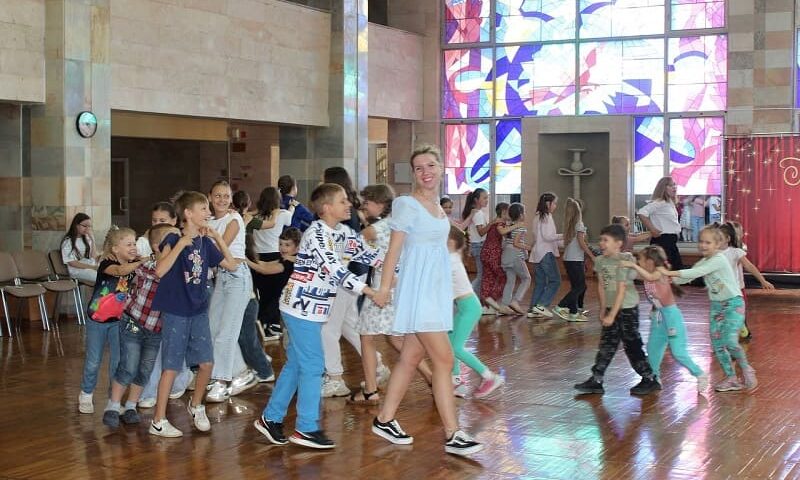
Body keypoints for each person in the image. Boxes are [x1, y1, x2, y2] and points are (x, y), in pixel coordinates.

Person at [371, 145, 483, 457]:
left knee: (410, 358)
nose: (426, 172)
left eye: (431, 165)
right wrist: (384, 288)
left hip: (435, 292)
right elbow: (394, 250)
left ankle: (384, 419)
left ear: (441, 168)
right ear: (413, 173)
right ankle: (453, 433)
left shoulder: (437, 207)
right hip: (419, 293)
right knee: (444, 360)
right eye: (419, 168)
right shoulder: (407, 204)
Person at [253, 183, 382, 449]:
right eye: (343, 200)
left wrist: (400, 264)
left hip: (313, 310)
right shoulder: (316, 234)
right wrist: (370, 291)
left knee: (297, 364)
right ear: (326, 208)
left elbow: (369, 254)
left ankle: (271, 418)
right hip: (299, 308)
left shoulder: (343, 232)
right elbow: (335, 270)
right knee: (313, 365)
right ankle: (306, 428)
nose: (349, 204)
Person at [148, 191, 238, 438]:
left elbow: (231, 265)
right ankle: (158, 420)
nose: (208, 213)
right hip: (176, 311)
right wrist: (180, 245)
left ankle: (197, 405)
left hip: (198, 310)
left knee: (207, 363)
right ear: (188, 213)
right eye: (204, 209)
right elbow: (160, 271)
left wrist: (217, 237)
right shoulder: (172, 237)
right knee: (171, 367)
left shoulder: (205, 242)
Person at [660, 225, 757, 393]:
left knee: (730, 341)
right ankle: (731, 378)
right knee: (717, 344)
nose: (703, 245)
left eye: (708, 242)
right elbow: (689, 276)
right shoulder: (703, 261)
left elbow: (698, 272)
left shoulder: (719, 259)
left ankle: (746, 368)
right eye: (701, 241)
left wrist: (670, 274)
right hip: (717, 306)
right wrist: (668, 279)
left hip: (733, 304)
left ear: (718, 244)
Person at [320, 167, 389, 398]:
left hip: (345, 276)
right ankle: (377, 365)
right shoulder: (347, 214)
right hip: (352, 274)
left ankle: (335, 378)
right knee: (348, 323)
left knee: (329, 327)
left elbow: (348, 249)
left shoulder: (342, 215)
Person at [102, 224, 177, 428]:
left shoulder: (176, 269)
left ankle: (131, 406)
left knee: (145, 369)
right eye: (173, 243)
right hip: (133, 322)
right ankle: (113, 405)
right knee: (129, 365)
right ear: (158, 247)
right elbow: (159, 274)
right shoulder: (148, 266)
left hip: (156, 329)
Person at [574, 224, 661, 396]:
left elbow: (622, 289)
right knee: (607, 344)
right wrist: (603, 310)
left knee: (632, 345)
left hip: (627, 309)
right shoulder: (600, 261)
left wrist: (612, 315)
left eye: (605, 240)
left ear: (618, 243)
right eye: (601, 240)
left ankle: (650, 378)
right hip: (611, 308)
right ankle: (596, 379)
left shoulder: (625, 261)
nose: (601, 243)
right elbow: (601, 286)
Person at [349, 184, 408, 405]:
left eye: (367, 203)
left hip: (380, 288)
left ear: (380, 204)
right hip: (400, 286)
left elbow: (351, 247)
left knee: (366, 336)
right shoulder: (400, 225)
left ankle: (371, 390)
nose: (365, 207)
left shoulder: (376, 229)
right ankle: (431, 377)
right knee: (395, 339)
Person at [621, 246, 707, 393]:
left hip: (671, 317)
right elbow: (637, 277)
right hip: (659, 316)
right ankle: (654, 378)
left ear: (650, 261)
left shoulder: (660, 272)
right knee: (653, 348)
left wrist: (632, 265)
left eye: (640, 259)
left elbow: (650, 278)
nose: (638, 261)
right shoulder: (646, 274)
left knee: (678, 351)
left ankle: (699, 374)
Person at [78, 227, 140, 415]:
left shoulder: (134, 264)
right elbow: (120, 270)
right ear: (115, 249)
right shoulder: (107, 263)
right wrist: (143, 261)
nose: (133, 247)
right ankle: (86, 393)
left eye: (134, 243)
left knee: (118, 361)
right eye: (128, 244)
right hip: (97, 318)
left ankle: (113, 399)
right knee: (94, 360)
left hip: (118, 320)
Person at [206, 180, 257, 403]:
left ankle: (222, 380)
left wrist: (205, 237)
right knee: (212, 328)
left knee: (227, 332)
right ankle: (242, 372)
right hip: (222, 278)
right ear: (210, 197)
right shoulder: (209, 221)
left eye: (226, 196)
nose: (222, 200)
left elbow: (219, 249)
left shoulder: (234, 219)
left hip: (238, 277)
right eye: (218, 196)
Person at [447, 225, 505, 398]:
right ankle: (456, 381)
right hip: (465, 308)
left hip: (470, 308)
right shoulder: (452, 257)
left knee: (456, 347)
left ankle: (489, 377)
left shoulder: (450, 260)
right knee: (450, 344)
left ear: (450, 242)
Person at [249, 186, 294, 340]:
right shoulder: (282, 214)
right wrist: (292, 207)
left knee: (263, 294)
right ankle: (272, 326)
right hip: (276, 255)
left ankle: (262, 323)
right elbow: (291, 219)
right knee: (276, 294)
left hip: (257, 257)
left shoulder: (256, 217)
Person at [718, 221, 775, 342]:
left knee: (738, 313)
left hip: (737, 290)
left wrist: (763, 281)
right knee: (724, 314)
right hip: (722, 291)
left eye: (720, 238)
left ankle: (742, 330)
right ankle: (728, 334)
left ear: (728, 239)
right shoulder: (714, 254)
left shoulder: (736, 252)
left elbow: (749, 266)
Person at [554, 198, 595, 322]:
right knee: (581, 286)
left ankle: (573, 312)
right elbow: (582, 243)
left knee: (576, 287)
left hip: (568, 259)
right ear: (578, 211)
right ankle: (560, 306)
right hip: (575, 260)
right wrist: (592, 256)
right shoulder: (579, 224)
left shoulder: (569, 226)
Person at [527, 192, 562, 318]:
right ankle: (541, 305)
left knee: (540, 283)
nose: (555, 206)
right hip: (546, 253)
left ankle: (533, 309)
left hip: (537, 253)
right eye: (554, 203)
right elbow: (548, 236)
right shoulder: (547, 216)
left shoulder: (537, 217)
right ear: (548, 203)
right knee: (555, 280)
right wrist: (564, 235)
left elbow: (540, 237)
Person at [638, 176, 684, 270]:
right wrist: (653, 229)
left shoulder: (669, 203)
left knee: (675, 269)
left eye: (674, 185)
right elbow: (642, 212)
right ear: (664, 188)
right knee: (665, 269)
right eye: (670, 185)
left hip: (671, 240)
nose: (674, 187)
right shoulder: (660, 202)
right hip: (663, 240)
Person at [481, 203, 517, 315]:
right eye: (509, 212)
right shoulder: (500, 223)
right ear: (504, 212)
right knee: (503, 277)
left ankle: (487, 306)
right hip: (493, 253)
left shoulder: (494, 222)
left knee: (488, 278)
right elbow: (503, 232)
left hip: (485, 252)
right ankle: (491, 299)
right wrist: (517, 225)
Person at [500, 203, 531, 315]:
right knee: (527, 278)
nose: (525, 214)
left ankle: (504, 305)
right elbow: (516, 243)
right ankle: (515, 301)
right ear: (521, 215)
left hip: (506, 257)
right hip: (515, 256)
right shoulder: (521, 227)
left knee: (510, 281)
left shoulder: (509, 226)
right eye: (524, 212)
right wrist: (529, 247)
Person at [462, 188, 489, 308]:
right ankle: (467, 297)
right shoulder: (477, 213)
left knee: (482, 275)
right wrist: (492, 223)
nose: (486, 200)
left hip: (477, 245)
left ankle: (475, 300)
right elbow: (481, 232)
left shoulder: (477, 212)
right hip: (478, 245)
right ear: (476, 200)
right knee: (481, 275)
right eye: (484, 198)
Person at [61, 213, 99, 283]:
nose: (87, 229)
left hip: (89, 266)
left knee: (109, 274)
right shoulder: (68, 241)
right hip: (76, 270)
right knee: (99, 277)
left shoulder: (87, 238)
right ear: (76, 225)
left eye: (89, 226)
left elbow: (94, 257)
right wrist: (92, 267)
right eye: (84, 226)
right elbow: (72, 263)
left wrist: (93, 240)